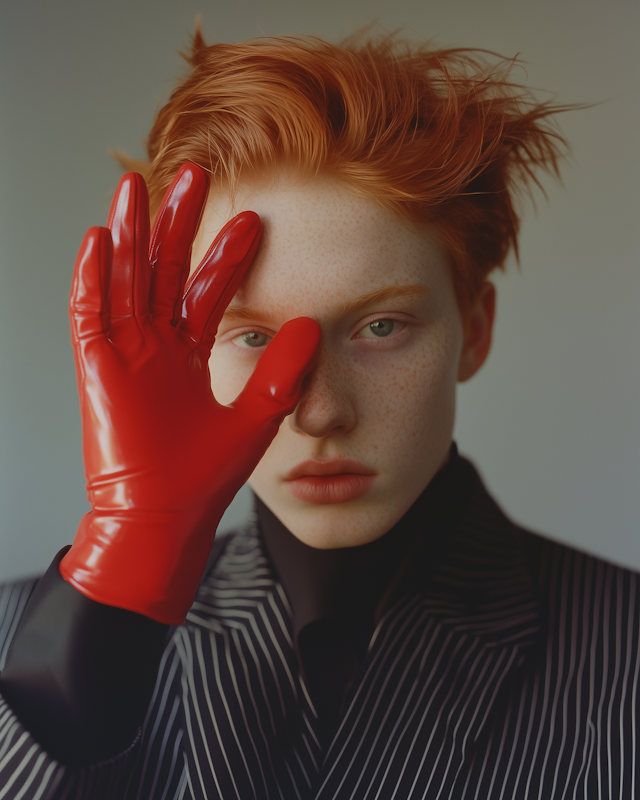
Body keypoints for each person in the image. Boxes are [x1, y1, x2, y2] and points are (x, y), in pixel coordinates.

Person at [0, 28, 638, 800]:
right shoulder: (13, 635)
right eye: (251, 335)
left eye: (381, 327)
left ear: (474, 328)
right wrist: (117, 583)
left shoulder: (625, 647)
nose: (320, 412)